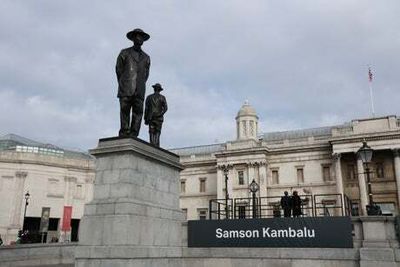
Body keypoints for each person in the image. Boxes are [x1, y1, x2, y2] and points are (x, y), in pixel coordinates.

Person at [116, 28, 151, 138]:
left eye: (141, 37)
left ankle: (134, 134)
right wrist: (124, 82)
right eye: (137, 36)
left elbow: (146, 74)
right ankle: (124, 132)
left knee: (138, 113)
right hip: (126, 87)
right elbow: (118, 70)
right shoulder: (124, 53)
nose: (139, 39)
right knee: (124, 111)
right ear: (133, 38)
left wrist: (139, 84)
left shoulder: (146, 57)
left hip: (139, 90)